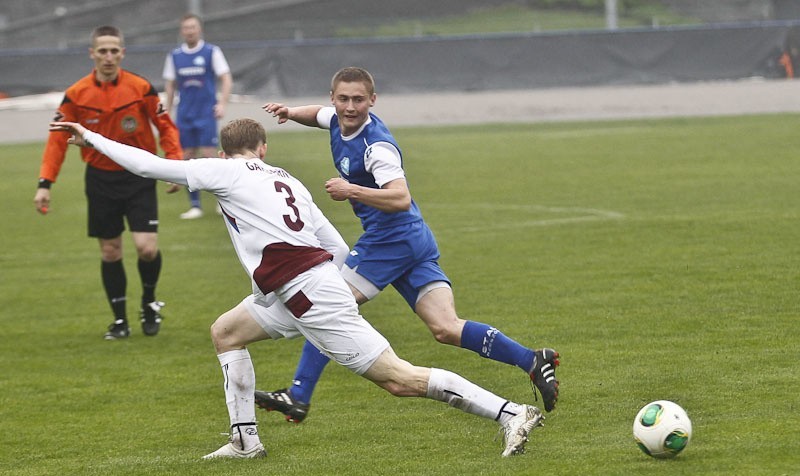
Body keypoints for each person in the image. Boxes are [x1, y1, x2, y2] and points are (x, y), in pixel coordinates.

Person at [50, 118, 546, 458]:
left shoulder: (222, 169)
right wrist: (327, 284)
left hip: (307, 294)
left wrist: (90, 138)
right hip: (297, 289)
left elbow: (147, 165)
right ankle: (246, 441)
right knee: (226, 332)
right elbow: (330, 243)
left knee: (398, 379)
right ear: (263, 148)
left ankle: (510, 412)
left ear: (226, 152)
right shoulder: (286, 177)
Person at [258, 67, 560, 423]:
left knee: (329, 305)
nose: (350, 106)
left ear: (373, 100)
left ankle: (298, 394)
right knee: (445, 327)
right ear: (333, 98)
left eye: (358, 100)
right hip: (412, 240)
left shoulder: (377, 147)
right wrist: (291, 113)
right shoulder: (339, 119)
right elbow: (318, 116)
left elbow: (400, 197)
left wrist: (350, 189)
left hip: (391, 241)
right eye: (343, 99)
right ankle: (531, 359)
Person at [34, 26, 183, 340]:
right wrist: (45, 182)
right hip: (100, 180)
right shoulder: (76, 94)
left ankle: (148, 302)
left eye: (114, 50)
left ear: (122, 53)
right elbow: (57, 140)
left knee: (146, 248)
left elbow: (165, 126)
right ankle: (119, 321)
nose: (109, 56)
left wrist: (173, 165)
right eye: (102, 51)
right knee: (111, 252)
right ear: (92, 54)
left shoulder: (140, 87)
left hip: (139, 175)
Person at [163, 13, 232, 219]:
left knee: (211, 155)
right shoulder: (174, 56)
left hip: (206, 113)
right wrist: (167, 111)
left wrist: (222, 103)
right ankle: (195, 206)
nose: (190, 31)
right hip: (185, 114)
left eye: (193, 27)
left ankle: (223, 202)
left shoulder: (211, 52)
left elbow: (226, 78)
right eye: (186, 28)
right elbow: (170, 85)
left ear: (199, 29)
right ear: (181, 31)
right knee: (187, 158)